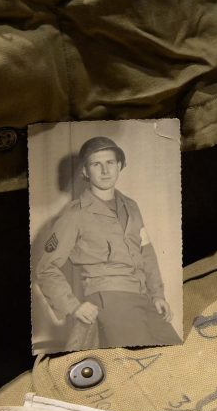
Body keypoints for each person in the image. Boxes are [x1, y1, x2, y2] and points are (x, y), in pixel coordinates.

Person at [36, 136, 180, 348]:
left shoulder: (131, 207)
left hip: (142, 298)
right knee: (145, 360)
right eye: (96, 164)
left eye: (110, 163)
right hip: (109, 299)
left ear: (119, 165)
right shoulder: (75, 214)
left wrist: (157, 295)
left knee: (175, 349)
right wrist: (73, 306)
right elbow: (45, 268)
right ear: (85, 171)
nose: (105, 170)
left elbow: (146, 253)